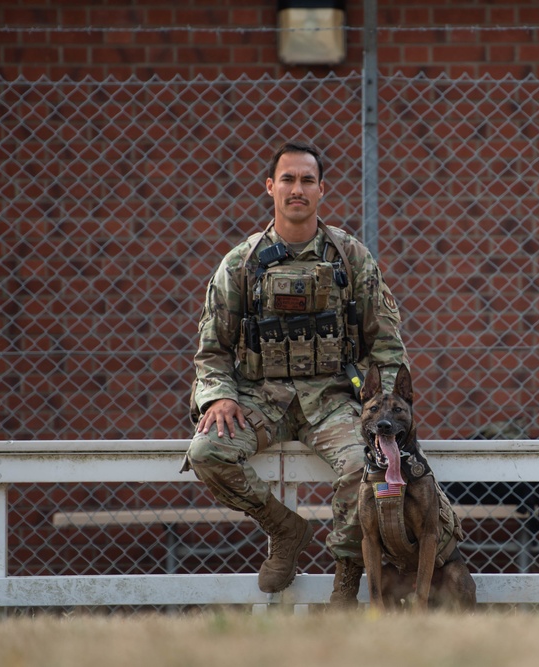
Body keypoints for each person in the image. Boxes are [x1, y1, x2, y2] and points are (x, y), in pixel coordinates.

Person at [183, 141, 409, 608]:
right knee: (207, 452)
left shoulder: (351, 258)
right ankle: (286, 530)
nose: (297, 189)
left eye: (307, 180)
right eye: (287, 179)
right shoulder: (241, 264)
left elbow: (386, 346)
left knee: (363, 465)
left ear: (322, 189)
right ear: (270, 187)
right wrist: (218, 398)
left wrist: (384, 412)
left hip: (331, 400)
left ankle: (346, 574)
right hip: (260, 399)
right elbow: (212, 349)